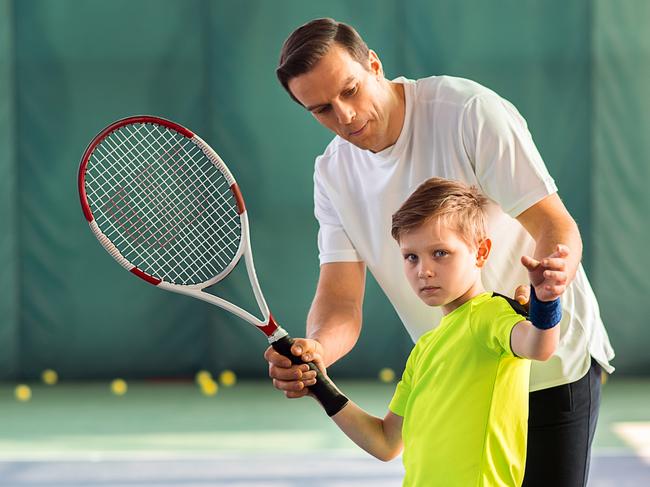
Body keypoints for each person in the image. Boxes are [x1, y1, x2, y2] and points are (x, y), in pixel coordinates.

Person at [266, 18, 614, 486]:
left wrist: (548, 289)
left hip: (550, 371)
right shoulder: (332, 174)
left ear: (374, 65)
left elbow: (555, 227)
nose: (344, 116)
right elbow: (341, 302)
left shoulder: (467, 111)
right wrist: (317, 352)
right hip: (455, 377)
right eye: (322, 109)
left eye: (350, 90)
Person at [322, 177, 561, 486]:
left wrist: (547, 302)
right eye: (411, 257)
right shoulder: (424, 349)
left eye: (440, 253)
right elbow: (385, 442)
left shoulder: (490, 314)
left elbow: (539, 346)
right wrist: (320, 385)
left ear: (480, 252)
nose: (424, 271)